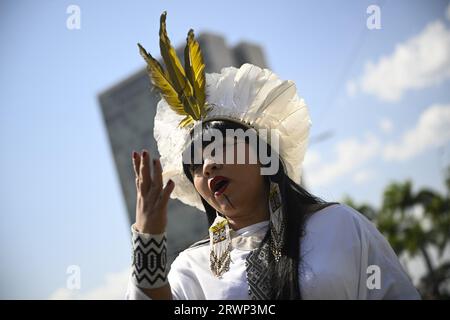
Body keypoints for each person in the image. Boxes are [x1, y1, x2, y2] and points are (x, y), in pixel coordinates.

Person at [125, 12, 420, 300]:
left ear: (263, 152)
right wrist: (148, 241)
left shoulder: (339, 226)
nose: (209, 165)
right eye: (195, 165)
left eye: (220, 147)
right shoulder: (192, 269)